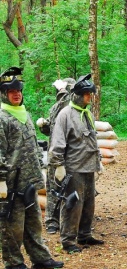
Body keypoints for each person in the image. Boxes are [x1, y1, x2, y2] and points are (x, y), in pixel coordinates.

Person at [0, 67, 64, 269]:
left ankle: (40, 257)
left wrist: (40, 166)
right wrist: (1, 180)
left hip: (29, 181)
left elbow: (32, 144)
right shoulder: (2, 117)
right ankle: (13, 262)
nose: (16, 94)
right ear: (3, 93)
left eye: (18, 89)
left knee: (34, 222)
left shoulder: (24, 114)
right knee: (12, 226)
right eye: (11, 91)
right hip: (10, 184)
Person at [48, 74, 104, 253]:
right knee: (73, 204)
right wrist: (58, 165)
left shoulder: (87, 113)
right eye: (87, 94)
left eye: (90, 94)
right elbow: (57, 142)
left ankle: (84, 234)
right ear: (79, 95)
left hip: (89, 166)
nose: (89, 97)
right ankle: (68, 240)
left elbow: (93, 140)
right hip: (73, 168)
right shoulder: (66, 114)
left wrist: (99, 160)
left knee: (89, 203)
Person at [36, 77, 76, 234]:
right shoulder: (55, 108)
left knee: (72, 187)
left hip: (72, 154)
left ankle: (70, 219)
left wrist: (64, 90)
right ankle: (52, 221)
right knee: (54, 188)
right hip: (56, 153)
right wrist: (44, 126)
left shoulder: (74, 108)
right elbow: (51, 131)